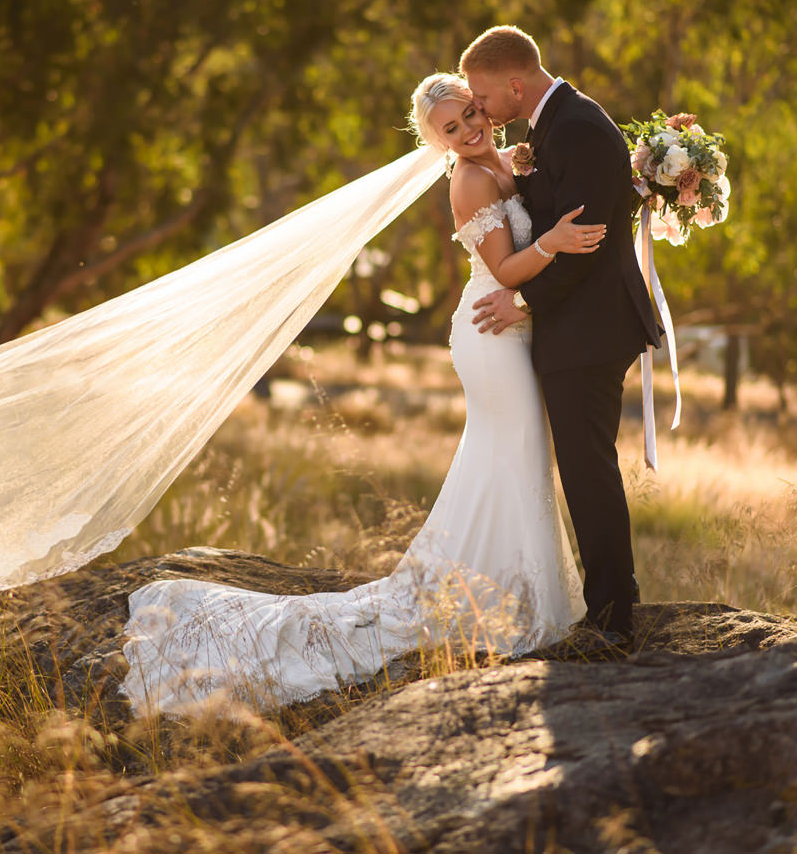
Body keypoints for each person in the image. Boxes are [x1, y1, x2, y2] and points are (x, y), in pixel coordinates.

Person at [120, 72, 604, 717]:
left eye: (467, 115)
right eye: (450, 131)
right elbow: (506, 270)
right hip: (491, 335)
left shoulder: (509, 163)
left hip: (513, 329)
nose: (466, 132)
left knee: (510, 459)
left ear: (483, 105)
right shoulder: (469, 180)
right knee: (514, 453)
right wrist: (554, 242)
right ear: (437, 143)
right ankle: (509, 605)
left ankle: (509, 594)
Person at [460, 26, 662, 642]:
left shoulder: (575, 127)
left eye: (484, 97)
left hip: (591, 328)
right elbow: (560, 219)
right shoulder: (552, 125)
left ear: (515, 85)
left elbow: (588, 247)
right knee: (583, 465)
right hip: (580, 323)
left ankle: (611, 620)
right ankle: (611, 599)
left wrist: (523, 301)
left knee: (587, 468)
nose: (482, 110)